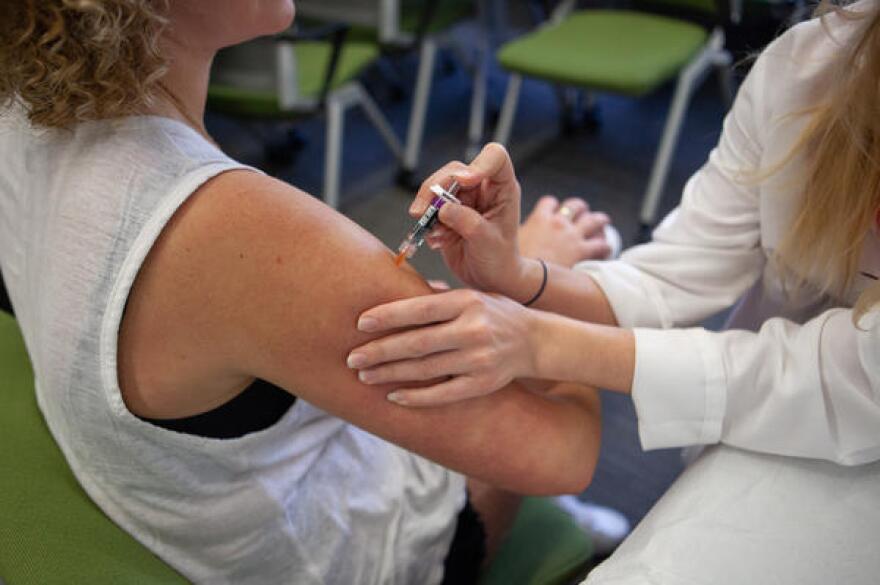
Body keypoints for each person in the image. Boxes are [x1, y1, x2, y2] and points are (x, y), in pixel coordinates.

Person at [0, 1, 606, 583]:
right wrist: (542, 282)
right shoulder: (236, 230)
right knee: (577, 289)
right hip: (349, 559)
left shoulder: (23, 111)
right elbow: (566, 453)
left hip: (174, 489)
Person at [349, 0, 880, 582]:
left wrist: (541, 341)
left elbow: (848, 378)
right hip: (776, 398)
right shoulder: (811, 66)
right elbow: (675, 274)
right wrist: (520, 277)